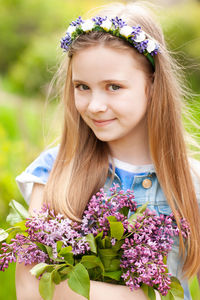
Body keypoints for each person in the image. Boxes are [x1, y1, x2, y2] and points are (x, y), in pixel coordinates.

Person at [15, 1, 200, 300]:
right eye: (82, 87)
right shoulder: (54, 172)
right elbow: (31, 290)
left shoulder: (190, 182)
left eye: (113, 86)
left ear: (152, 85)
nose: (95, 105)